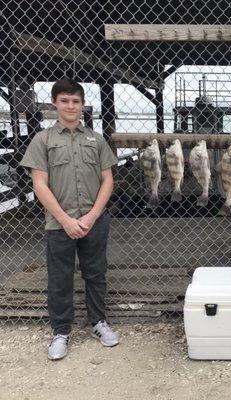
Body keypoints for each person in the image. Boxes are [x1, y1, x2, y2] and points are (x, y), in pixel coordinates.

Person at [20, 78, 119, 360]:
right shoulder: (43, 140)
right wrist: (65, 219)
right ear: (55, 103)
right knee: (60, 278)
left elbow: (107, 180)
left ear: (83, 104)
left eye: (76, 101)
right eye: (65, 101)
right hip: (58, 223)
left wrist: (92, 216)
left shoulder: (96, 140)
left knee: (95, 273)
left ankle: (98, 322)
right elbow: (39, 184)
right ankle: (61, 330)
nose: (71, 106)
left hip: (94, 221)